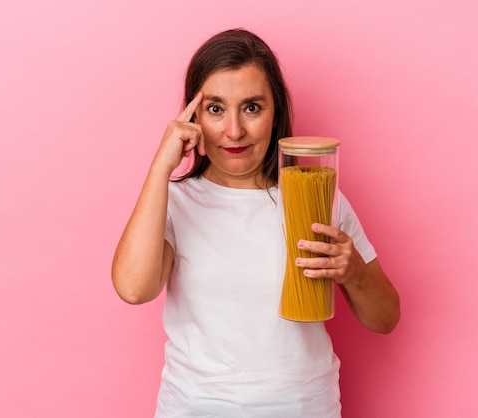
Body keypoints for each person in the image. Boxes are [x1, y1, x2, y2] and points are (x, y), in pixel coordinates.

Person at [112, 28, 400, 417]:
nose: (234, 131)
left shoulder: (315, 196)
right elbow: (133, 288)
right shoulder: (174, 202)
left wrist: (355, 274)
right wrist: (162, 166)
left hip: (304, 408)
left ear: (275, 113)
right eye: (215, 109)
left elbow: (385, 319)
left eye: (251, 107)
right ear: (192, 116)